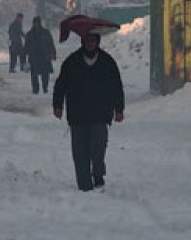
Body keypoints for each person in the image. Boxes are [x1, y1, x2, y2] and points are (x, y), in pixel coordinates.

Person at [52, 20, 124, 192]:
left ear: (97, 42)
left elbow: (116, 86)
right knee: (79, 151)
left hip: (100, 114)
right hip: (77, 115)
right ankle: (84, 185)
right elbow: (60, 85)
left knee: (98, 147)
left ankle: (98, 172)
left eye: (94, 40)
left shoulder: (107, 62)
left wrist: (119, 109)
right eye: (88, 40)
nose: (91, 43)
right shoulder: (72, 62)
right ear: (83, 42)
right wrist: (58, 105)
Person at [24, 16, 56, 93]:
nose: (36, 24)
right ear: (33, 23)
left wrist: (53, 53)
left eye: (38, 23)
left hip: (44, 56)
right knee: (34, 75)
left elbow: (51, 43)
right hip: (34, 57)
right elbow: (26, 46)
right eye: (35, 23)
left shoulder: (46, 32)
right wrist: (23, 57)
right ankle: (35, 89)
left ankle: (45, 87)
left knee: (45, 74)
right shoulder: (29, 34)